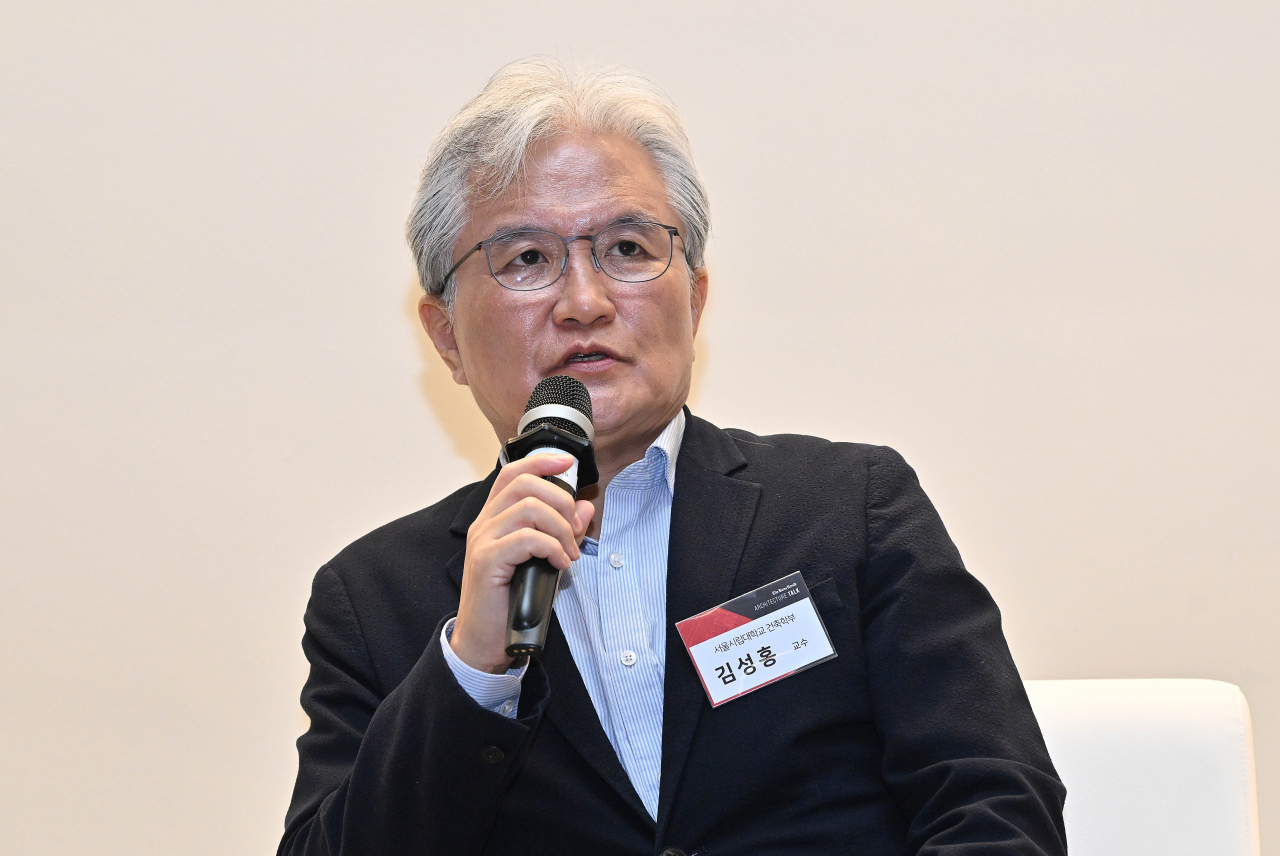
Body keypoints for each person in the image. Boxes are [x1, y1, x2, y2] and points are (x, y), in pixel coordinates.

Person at [279, 59, 1067, 856]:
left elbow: (995, 806)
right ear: (446, 335)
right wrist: (475, 667)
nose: (583, 301)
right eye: (526, 259)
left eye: (626, 247)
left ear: (694, 296)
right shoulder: (370, 601)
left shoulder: (851, 510)